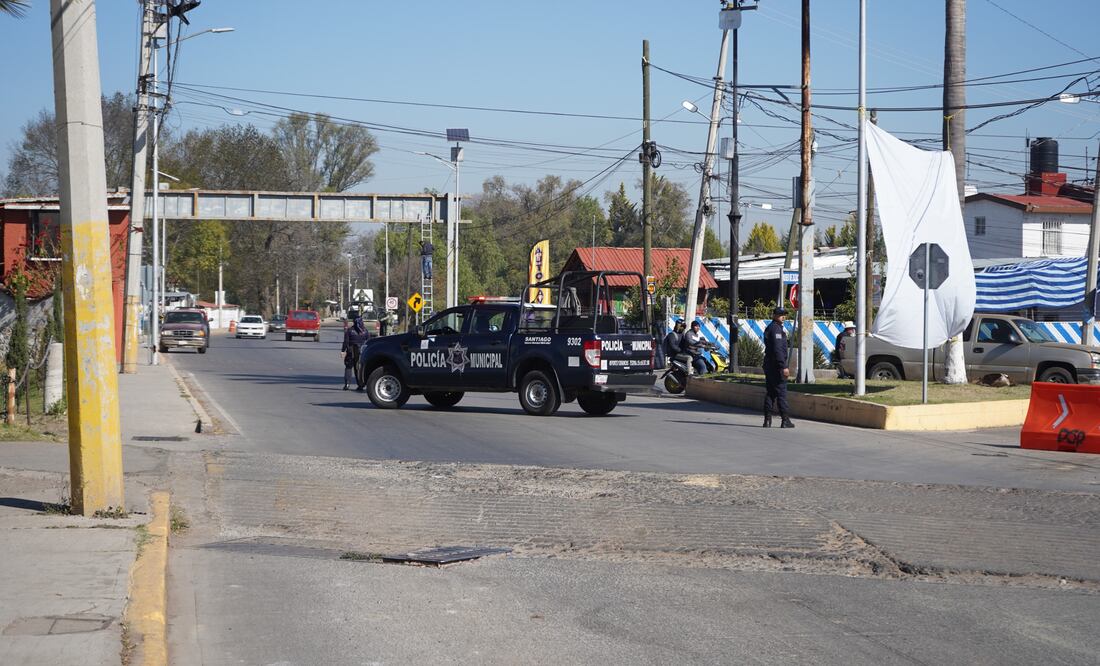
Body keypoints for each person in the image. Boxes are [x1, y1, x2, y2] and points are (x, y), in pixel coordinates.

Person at [763, 306, 794, 428]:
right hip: (776, 366)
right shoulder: (776, 329)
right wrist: (783, 366)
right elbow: (777, 349)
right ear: (775, 315)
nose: (784, 317)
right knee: (781, 393)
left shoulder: (772, 327)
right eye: (781, 315)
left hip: (769, 365)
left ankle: (767, 420)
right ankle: (785, 420)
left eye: (784, 314)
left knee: (770, 393)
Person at [341, 316, 370, 391]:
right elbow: (368, 341)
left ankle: (347, 384)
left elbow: (346, 342)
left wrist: (343, 351)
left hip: (351, 351)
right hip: (361, 352)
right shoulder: (365, 331)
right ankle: (360, 385)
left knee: (348, 367)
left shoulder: (350, 330)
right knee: (358, 368)